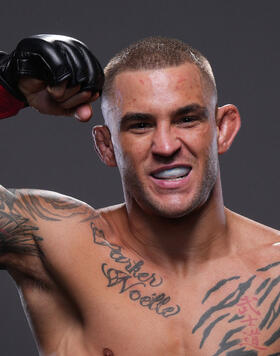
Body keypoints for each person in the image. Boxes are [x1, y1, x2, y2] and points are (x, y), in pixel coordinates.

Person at [0, 34, 279, 356]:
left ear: (222, 130)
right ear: (106, 146)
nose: (165, 146)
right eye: (140, 125)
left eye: (187, 120)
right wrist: (6, 90)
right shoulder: (58, 243)